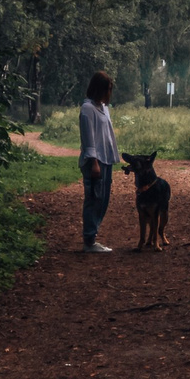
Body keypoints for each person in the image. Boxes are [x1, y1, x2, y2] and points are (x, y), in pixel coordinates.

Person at [77, 71, 119, 253]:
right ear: (98, 89)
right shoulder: (87, 109)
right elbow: (89, 138)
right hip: (95, 161)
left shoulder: (103, 108)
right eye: (107, 89)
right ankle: (89, 240)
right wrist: (94, 162)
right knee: (94, 198)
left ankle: (92, 237)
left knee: (103, 199)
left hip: (105, 159)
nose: (109, 93)